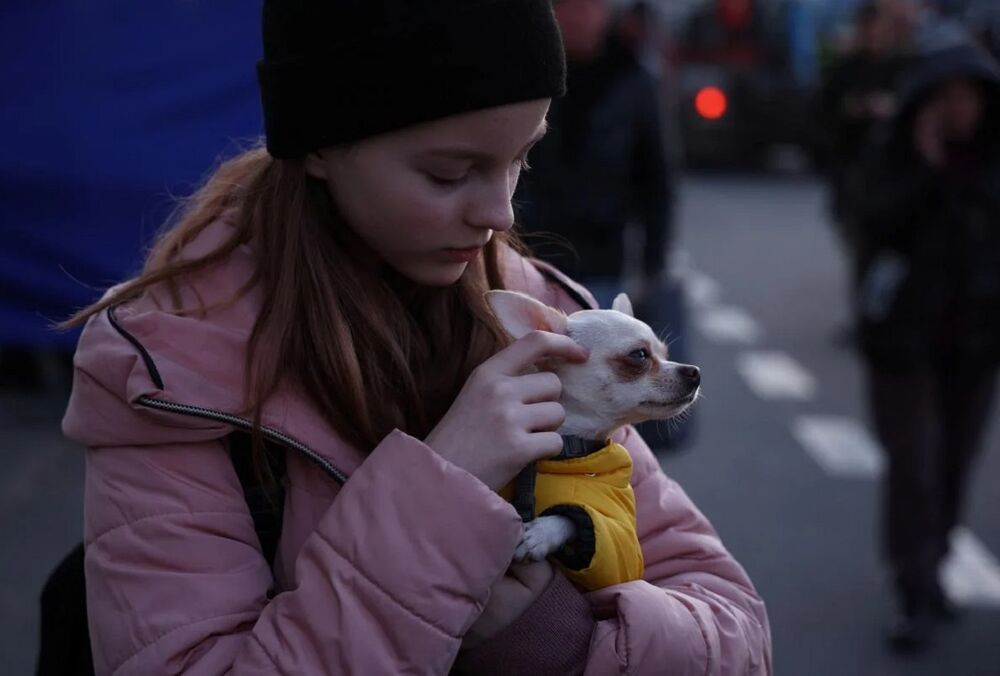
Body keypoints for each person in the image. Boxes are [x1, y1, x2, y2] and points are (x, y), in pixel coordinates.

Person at [58, 1, 771, 673]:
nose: (498, 211)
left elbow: (732, 625)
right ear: (320, 148)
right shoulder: (167, 369)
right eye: (449, 172)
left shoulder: (543, 312)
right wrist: (447, 489)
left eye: (523, 157)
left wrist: (553, 639)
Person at [847, 34, 1000, 653]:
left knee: (955, 462)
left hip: (977, 340)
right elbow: (871, 222)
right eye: (947, 96)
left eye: (971, 97)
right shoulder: (893, 154)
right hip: (903, 342)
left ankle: (934, 565)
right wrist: (926, 167)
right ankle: (913, 587)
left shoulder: (992, 161)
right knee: (913, 465)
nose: (960, 109)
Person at [515, 0, 675, 311]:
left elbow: (655, 178)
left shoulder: (632, 80)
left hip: (600, 254)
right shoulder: (527, 74)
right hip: (529, 252)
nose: (577, 17)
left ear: (605, 14)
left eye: (588, 7)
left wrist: (653, 264)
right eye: (567, 7)